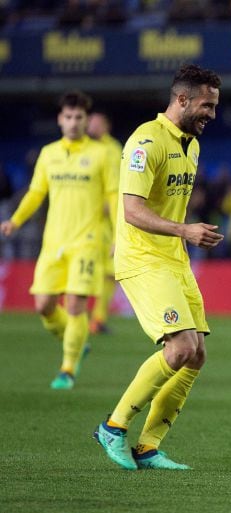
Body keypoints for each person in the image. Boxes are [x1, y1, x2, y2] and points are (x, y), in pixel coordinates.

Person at [93, 64, 223, 471]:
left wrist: (183, 236)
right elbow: (132, 211)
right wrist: (185, 229)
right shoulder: (145, 142)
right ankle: (113, 427)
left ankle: (149, 447)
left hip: (174, 258)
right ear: (181, 99)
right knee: (180, 347)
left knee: (197, 355)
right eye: (206, 105)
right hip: (143, 258)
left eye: (215, 107)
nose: (211, 115)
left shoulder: (192, 144)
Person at [0, 90, 117, 390]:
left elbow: (114, 197)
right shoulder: (49, 153)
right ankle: (76, 340)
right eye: (69, 117)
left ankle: (67, 368)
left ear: (86, 120)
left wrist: (118, 235)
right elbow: (36, 193)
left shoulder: (103, 154)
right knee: (43, 306)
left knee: (76, 305)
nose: (74, 122)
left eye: (79, 117)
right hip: (54, 242)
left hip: (87, 241)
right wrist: (15, 220)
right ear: (60, 119)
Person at [86, 111, 123, 334]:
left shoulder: (114, 149)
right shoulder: (84, 148)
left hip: (110, 219)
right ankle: (74, 315)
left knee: (111, 271)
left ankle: (98, 318)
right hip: (86, 219)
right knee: (87, 268)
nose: (93, 127)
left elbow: (119, 180)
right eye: (91, 123)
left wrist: (113, 202)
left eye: (97, 123)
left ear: (107, 125)